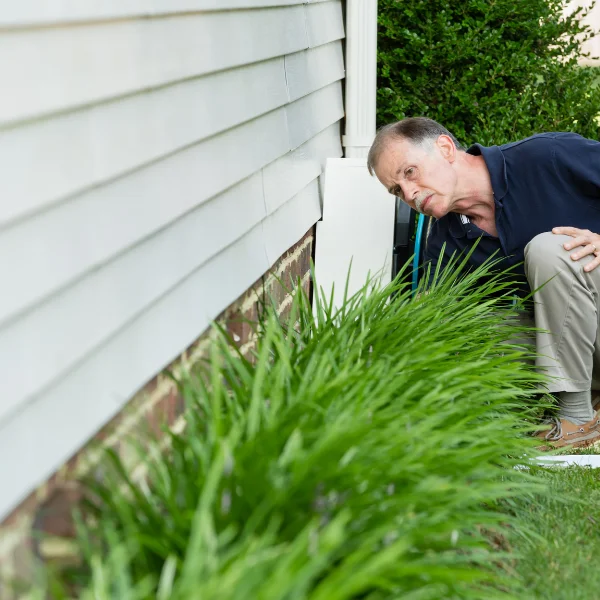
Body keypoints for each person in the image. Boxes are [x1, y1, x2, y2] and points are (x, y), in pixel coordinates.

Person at [367, 116, 600, 448]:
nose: (410, 194)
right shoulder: (447, 243)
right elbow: (433, 325)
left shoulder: (547, 157)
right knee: (468, 327)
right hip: (587, 350)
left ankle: (577, 417)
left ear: (445, 148)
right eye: (397, 190)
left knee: (550, 250)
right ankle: (573, 399)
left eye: (409, 172)